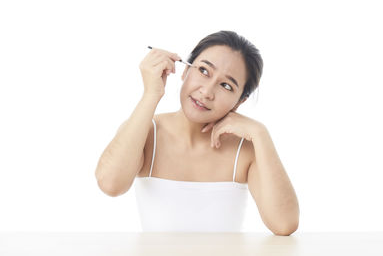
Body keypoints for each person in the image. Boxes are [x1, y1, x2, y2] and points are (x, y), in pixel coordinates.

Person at [95, 30, 299, 235]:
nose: (207, 92)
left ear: (239, 102)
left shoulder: (246, 150)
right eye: (203, 71)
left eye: (226, 86)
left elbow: (284, 224)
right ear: (185, 71)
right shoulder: (145, 132)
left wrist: (261, 133)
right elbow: (110, 184)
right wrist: (151, 94)